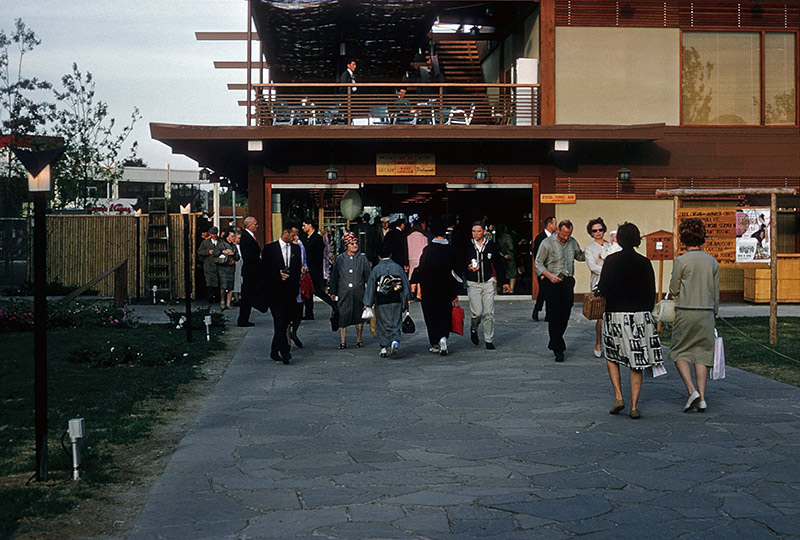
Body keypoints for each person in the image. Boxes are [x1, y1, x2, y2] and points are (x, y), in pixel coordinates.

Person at [597, 222, 663, 419]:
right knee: (637, 360)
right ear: (637, 239)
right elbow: (651, 292)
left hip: (615, 313)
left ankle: (619, 396)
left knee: (612, 355)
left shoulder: (610, 261)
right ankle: (634, 405)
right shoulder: (644, 262)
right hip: (639, 315)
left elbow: (603, 288)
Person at [669, 217, 719, 413]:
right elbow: (715, 292)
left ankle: (691, 390)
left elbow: (674, 289)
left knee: (678, 351)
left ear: (683, 238)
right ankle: (703, 397)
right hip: (706, 312)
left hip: (686, 311)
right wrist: (715, 313)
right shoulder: (712, 262)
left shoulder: (681, 261)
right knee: (703, 355)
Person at [535, 220, 585, 362]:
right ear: (558, 230)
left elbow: (579, 255)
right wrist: (550, 276)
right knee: (553, 315)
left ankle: (555, 341)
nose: (566, 238)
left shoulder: (572, 242)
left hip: (567, 281)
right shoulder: (547, 243)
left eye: (569, 235)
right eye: (563, 235)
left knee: (565, 314)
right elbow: (538, 263)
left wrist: (596, 249)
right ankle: (558, 347)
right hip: (552, 282)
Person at [412, 219, 459, 355]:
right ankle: (444, 336)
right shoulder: (450, 249)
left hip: (429, 287)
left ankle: (435, 341)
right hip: (446, 286)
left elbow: (421, 268)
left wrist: (414, 282)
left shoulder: (428, 249)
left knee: (431, 314)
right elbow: (456, 270)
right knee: (444, 312)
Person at [463, 221, 510, 350]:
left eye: (478, 231)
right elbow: (460, 262)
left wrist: (504, 281)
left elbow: (498, 264)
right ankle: (474, 328)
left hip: (488, 282)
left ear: (484, 232)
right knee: (477, 313)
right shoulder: (467, 246)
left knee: (488, 313)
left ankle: (489, 339)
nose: (475, 234)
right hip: (473, 283)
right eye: (473, 231)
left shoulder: (491, 246)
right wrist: (467, 268)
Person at [262, 223, 302, 365]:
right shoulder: (270, 249)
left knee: (284, 323)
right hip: (275, 292)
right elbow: (263, 270)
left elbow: (297, 271)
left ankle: (274, 350)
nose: (295, 237)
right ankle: (285, 351)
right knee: (279, 320)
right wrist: (277, 274)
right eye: (293, 234)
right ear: (285, 232)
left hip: (290, 292)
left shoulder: (296, 249)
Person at [363, 243, 411, 359]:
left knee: (381, 323)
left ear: (379, 256)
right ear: (390, 254)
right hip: (395, 300)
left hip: (381, 300)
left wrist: (367, 303)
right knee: (396, 321)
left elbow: (371, 287)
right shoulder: (398, 268)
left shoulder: (376, 270)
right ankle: (395, 341)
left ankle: (384, 347)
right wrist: (407, 299)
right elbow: (405, 286)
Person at [329, 232, 372, 349]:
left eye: (356, 243)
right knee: (343, 315)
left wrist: (370, 292)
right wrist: (333, 291)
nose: (355, 245)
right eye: (352, 243)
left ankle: (359, 339)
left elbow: (369, 276)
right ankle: (343, 341)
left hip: (359, 292)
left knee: (359, 316)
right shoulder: (340, 259)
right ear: (346, 245)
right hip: (344, 293)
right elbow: (335, 277)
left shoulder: (362, 258)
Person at [584, 217, 610, 358]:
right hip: (598, 283)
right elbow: (593, 266)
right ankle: (598, 343)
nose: (598, 232)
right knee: (600, 316)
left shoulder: (611, 244)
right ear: (591, 233)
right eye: (595, 231)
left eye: (600, 230)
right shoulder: (589, 248)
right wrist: (609, 269)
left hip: (614, 283)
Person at [301, 218, 334, 319]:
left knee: (316, 290)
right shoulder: (307, 238)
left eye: (304, 225)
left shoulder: (317, 238)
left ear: (310, 225)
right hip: (308, 268)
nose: (303, 227)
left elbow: (316, 255)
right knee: (308, 290)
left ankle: (333, 304)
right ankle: (309, 313)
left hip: (314, 268)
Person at [237, 217, 261, 327]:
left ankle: (245, 318)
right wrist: (259, 260)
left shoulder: (249, 236)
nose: (257, 226)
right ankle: (243, 319)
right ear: (249, 225)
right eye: (255, 224)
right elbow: (248, 256)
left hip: (253, 270)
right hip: (250, 270)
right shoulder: (246, 237)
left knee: (249, 295)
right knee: (247, 296)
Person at [532, 217, 556, 321]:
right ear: (550, 225)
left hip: (553, 269)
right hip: (543, 269)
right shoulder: (540, 238)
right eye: (555, 223)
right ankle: (537, 309)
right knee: (543, 292)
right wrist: (540, 272)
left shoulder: (555, 237)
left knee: (551, 293)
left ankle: (549, 314)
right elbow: (537, 255)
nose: (556, 226)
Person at [213, 228, 240, 310]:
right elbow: (215, 253)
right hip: (223, 268)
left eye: (234, 236)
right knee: (224, 286)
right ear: (227, 236)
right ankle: (222, 301)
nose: (233, 238)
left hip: (231, 268)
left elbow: (237, 257)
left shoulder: (234, 246)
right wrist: (223, 252)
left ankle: (228, 303)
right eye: (232, 236)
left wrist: (233, 254)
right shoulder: (222, 245)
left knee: (231, 287)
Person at [406, 220, 428, 300]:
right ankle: (419, 294)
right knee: (420, 275)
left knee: (412, 274)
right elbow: (426, 249)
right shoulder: (424, 237)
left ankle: (412, 291)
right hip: (420, 258)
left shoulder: (408, 237)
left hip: (411, 258)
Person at [197, 226, 220, 304]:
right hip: (208, 264)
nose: (214, 235)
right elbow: (199, 252)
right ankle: (210, 297)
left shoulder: (221, 241)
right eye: (213, 234)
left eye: (215, 233)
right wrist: (207, 251)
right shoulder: (205, 243)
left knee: (218, 281)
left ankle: (217, 297)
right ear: (210, 234)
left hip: (218, 264)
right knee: (209, 281)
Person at [496, 224, 517, 294]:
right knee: (512, 273)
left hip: (502, 256)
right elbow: (511, 247)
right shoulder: (509, 238)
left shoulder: (499, 238)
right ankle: (511, 289)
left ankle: (504, 289)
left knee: (504, 273)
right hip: (510, 257)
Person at [232, 230, 243, 306]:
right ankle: (236, 298)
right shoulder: (232, 246)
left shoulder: (242, 245)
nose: (240, 240)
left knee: (241, 280)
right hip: (236, 263)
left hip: (242, 262)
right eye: (238, 238)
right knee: (236, 280)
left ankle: (241, 296)